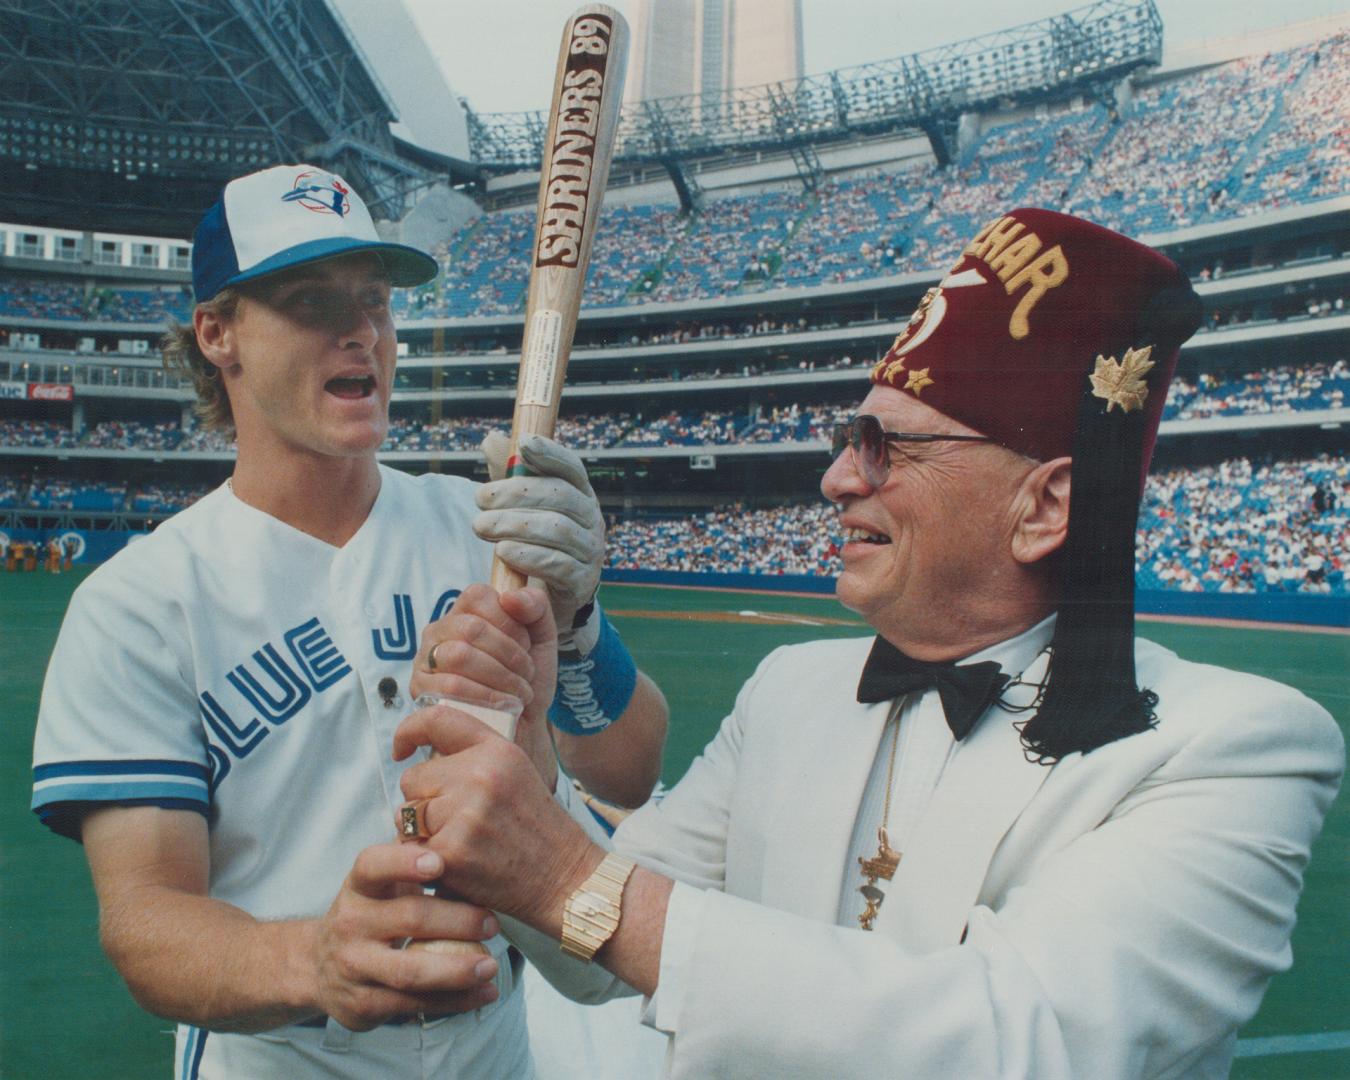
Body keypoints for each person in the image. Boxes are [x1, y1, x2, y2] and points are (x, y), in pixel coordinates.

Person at [393, 207, 1344, 1079]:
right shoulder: (789, 690)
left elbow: (1030, 1042)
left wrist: (562, 875)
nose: (836, 478)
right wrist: (525, 776)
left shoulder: (1233, 747)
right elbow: (597, 955)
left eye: (885, 447)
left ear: (1044, 506)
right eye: (851, 440)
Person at [30, 163, 667, 1078]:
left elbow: (631, 771)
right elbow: (146, 923)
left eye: (374, 301)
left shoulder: (479, 526)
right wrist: (313, 959)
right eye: (310, 301)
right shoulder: (141, 603)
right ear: (219, 332)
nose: (360, 331)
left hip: (497, 1053)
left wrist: (579, 628)